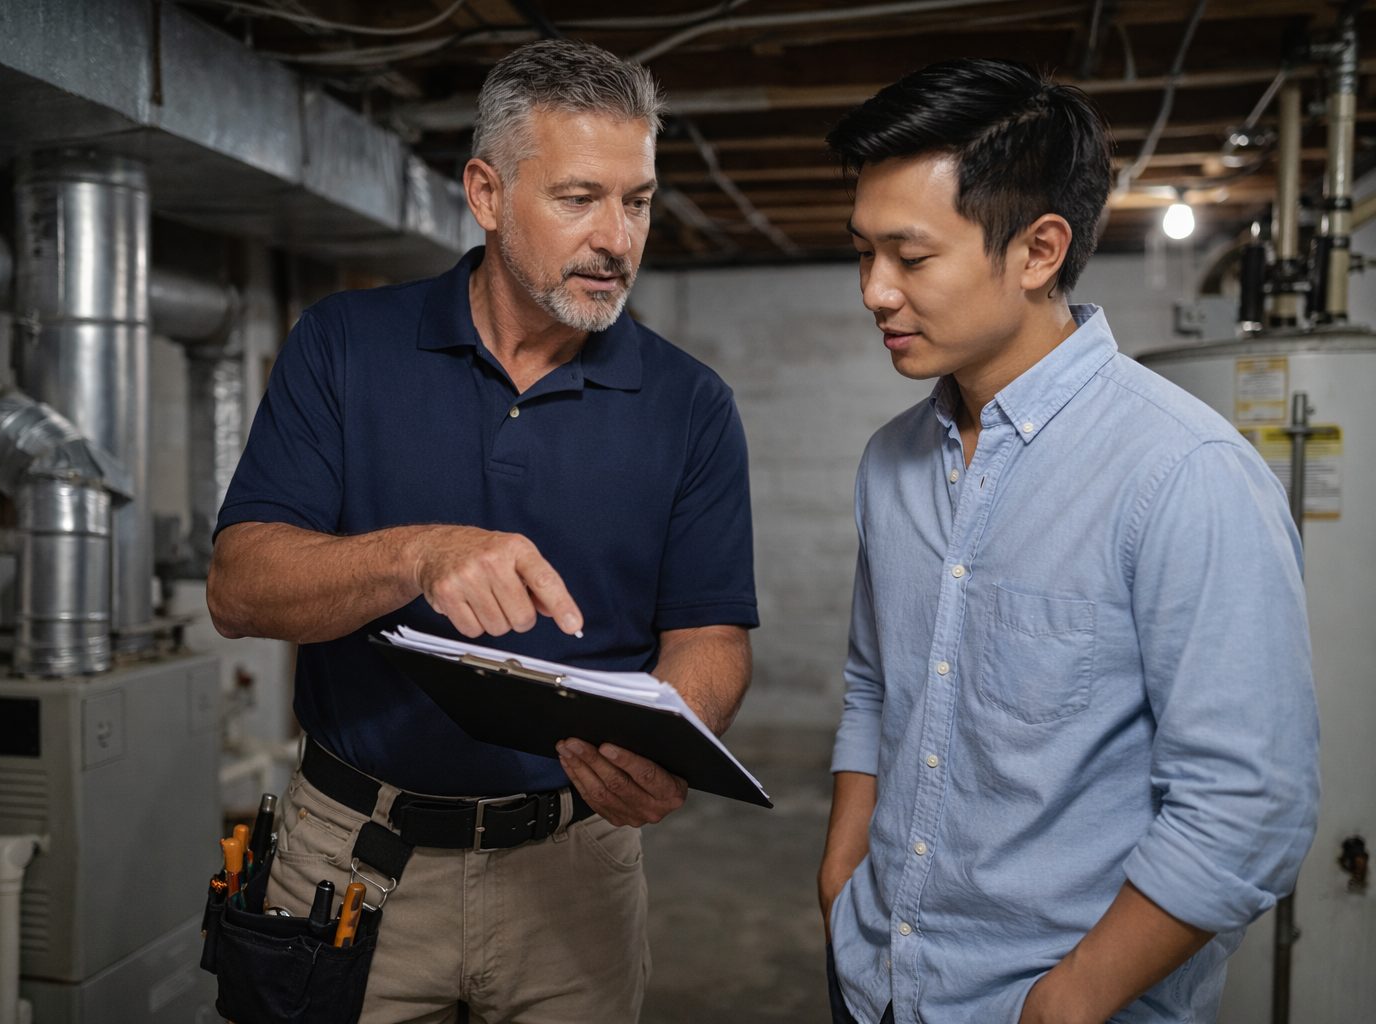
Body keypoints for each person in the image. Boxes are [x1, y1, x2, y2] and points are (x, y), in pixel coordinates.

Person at [206, 38, 758, 1024]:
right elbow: (240, 587)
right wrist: (420, 552)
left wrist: (672, 729)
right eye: (579, 198)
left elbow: (711, 635)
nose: (617, 239)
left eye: (637, 201)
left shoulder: (691, 403)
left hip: (576, 870)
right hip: (352, 863)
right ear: (488, 193)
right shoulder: (345, 346)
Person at [816, 58, 1319, 1024]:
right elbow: (876, 688)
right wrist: (843, 878)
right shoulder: (891, 462)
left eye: (911, 258)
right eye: (862, 252)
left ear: (1040, 249)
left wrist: (1071, 1000)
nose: (875, 291)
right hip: (872, 978)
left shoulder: (1184, 472)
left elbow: (1247, 805)